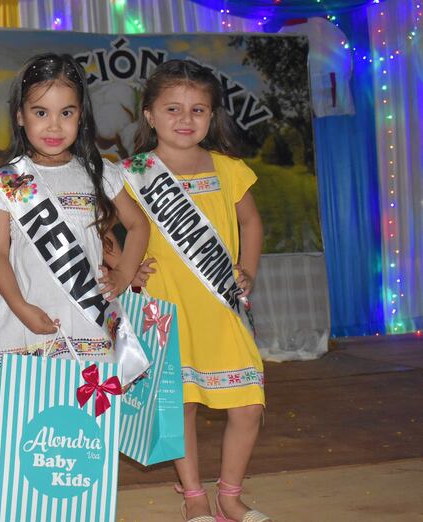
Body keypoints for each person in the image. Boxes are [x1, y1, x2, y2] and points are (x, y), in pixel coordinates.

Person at [120, 59, 269, 522]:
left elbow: (251, 221)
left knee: (247, 404)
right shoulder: (131, 172)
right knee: (179, 403)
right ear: (148, 114)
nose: (186, 120)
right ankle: (194, 498)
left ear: (212, 116)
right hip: (165, 308)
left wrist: (247, 268)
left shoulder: (229, 168)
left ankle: (229, 495)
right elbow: (104, 230)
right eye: (172, 109)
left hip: (220, 305)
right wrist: (125, 268)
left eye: (198, 110)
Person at [0, 52, 150, 404]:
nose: (54, 126)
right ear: (20, 117)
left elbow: (138, 225)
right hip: (28, 310)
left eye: (66, 113)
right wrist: (20, 307)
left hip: (89, 315)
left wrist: (125, 273)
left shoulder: (100, 172)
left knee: (90, 420)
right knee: (28, 417)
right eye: (41, 113)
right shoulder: (4, 181)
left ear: (81, 117)